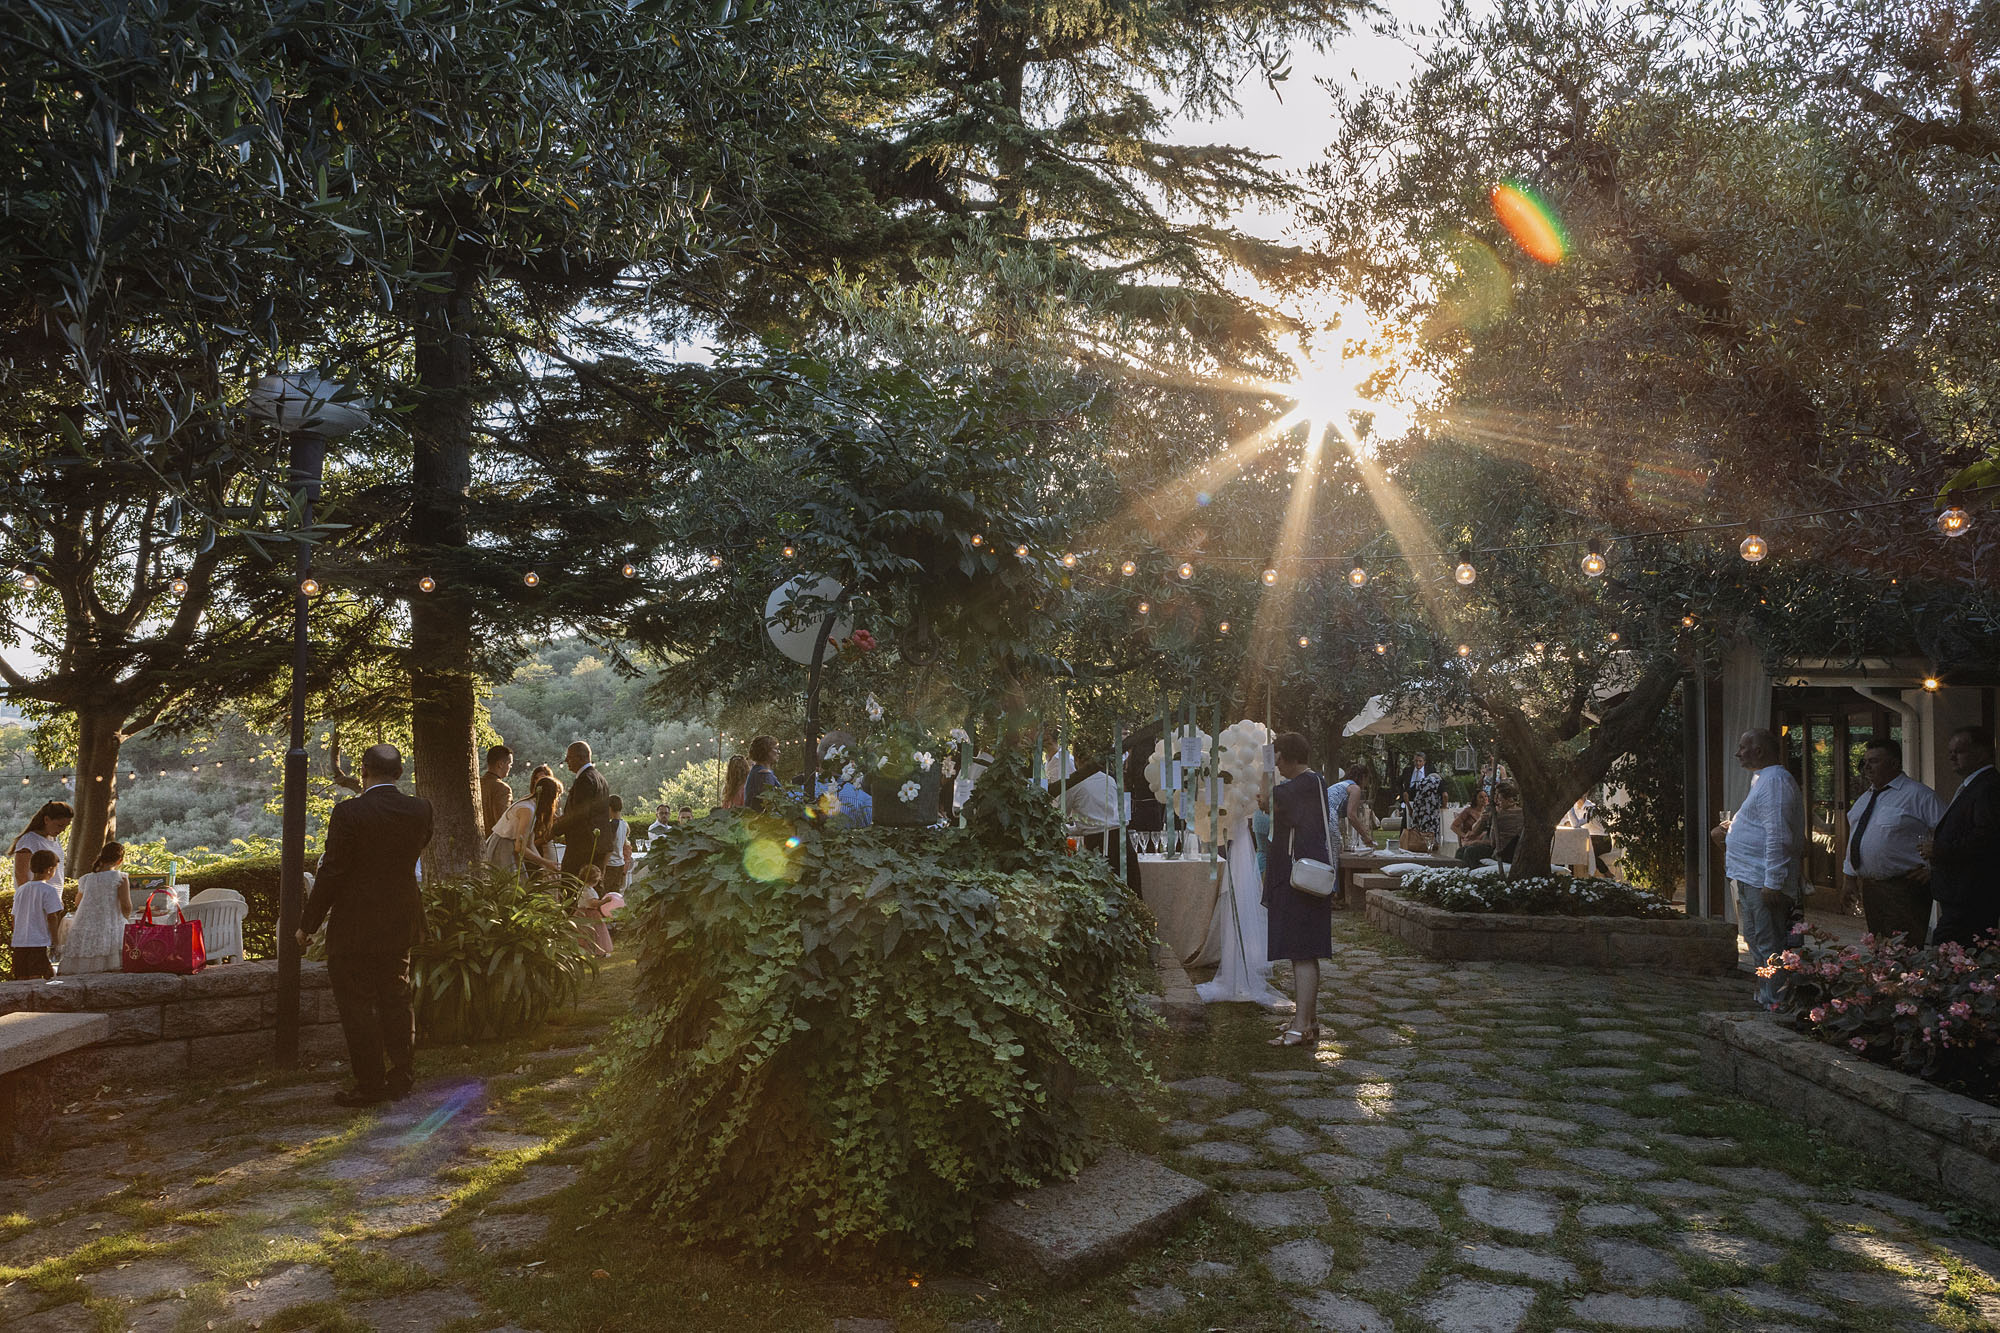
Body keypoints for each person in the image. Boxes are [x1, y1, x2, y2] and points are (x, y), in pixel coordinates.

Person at [301, 745, 433, 1106]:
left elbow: (333, 872)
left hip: (355, 923)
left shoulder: (349, 812)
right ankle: (402, 1074)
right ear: (399, 773)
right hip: (401, 917)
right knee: (397, 995)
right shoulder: (421, 809)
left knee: (357, 1004)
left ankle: (371, 1083)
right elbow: (415, 851)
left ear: (363, 771)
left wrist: (307, 923)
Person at [1711, 728, 1804, 1008]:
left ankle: (1775, 1001)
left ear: (1759, 751)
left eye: (1743, 747)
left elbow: (1778, 834)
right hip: (1748, 876)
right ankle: (1766, 995)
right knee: (1755, 940)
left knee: (1769, 943)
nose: (1738, 753)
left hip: (1762, 879)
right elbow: (1763, 826)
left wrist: (1773, 881)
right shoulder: (1762, 780)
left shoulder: (1774, 781)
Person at [1263, 732, 1333, 1048]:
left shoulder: (1296, 788)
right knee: (1305, 952)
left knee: (1301, 953)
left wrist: (1266, 798)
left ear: (1288, 756)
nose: (1275, 761)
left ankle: (1302, 1025)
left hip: (1298, 882)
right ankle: (1309, 1021)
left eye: (1278, 755)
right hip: (1310, 878)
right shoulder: (1315, 783)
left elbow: (1273, 802)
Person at [1841, 738, 1944, 946]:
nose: (1867, 767)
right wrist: (1849, 878)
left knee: (1904, 949)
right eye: (1865, 761)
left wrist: (1935, 867)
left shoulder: (1918, 795)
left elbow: (1949, 833)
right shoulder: (1865, 799)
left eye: (1875, 761)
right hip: (1872, 888)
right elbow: (1856, 837)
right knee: (1880, 947)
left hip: (1905, 888)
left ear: (1894, 764)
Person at [1927, 726, 2000, 947]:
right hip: (1959, 893)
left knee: (1950, 952)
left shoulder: (1988, 787)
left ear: (1981, 752)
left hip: (1972, 894)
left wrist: (1940, 850)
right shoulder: (1973, 786)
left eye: (1958, 751)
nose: (1951, 757)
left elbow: (1986, 837)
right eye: (1950, 751)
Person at [60, 841, 133, 976]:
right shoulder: (120, 877)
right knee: (112, 960)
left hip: (88, 922)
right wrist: (126, 918)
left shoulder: (86, 879)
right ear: (120, 860)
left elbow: (78, 902)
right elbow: (126, 905)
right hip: (111, 920)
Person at [552, 741, 613, 878]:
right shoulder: (600, 778)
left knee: (572, 888)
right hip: (598, 846)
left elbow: (578, 814)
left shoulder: (585, 779)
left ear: (581, 757)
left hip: (583, 847)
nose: (566, 760)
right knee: (593, 889)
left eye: (569, 757)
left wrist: (553, 830)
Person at [482, 779, 561, 876]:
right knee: (510, 884)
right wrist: (546, 863)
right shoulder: (528, 810)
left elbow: (529, 844)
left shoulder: (532, 807)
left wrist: (544, 866)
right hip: (502, 847)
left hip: (509, 846)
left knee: (519, 884)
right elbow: (520, 847)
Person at [10, 848, 65, 979]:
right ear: (49, 869)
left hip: (20, 943)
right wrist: (56, 941)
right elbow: (52, 917)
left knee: (21, 978)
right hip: (39, 942)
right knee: (36, 978)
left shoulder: (21, 890)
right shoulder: (49, 890)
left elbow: (14, 917)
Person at [1457, 781, 1523, 865]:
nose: (1496, 800)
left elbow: (1493, 842)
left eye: (1498, 797)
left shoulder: (1500, 815)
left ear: (1508, 799)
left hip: (1503, 850)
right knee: (1463, 850)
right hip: (1503, 848)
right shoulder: (1495, 812)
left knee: (1470, 852)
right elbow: (1474, 831)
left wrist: (1477, 842)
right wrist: (1482, 818)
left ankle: (1471, 874)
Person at [11, 800, 72, 889]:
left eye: (65, 826)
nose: (63, 830)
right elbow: (20, 875)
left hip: (51, 897)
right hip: (35, 898)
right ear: (46, 819)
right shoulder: (29, 840)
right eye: (60, 825)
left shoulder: (55, 840)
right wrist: (30, 898)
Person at [1329, 764, 1373, 852]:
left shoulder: (1342, 785)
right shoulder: (1355, 788)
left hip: (1320, 815)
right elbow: (1351, 816)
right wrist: (1365, 836)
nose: (1367, 783)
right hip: (1330, 817)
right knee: (1334, 853)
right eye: (1367, 779)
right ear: (1363, 777)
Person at [1404, 767, 1445, 854]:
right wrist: (1444, 807)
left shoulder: (1420, 782)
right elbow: (1445, 795)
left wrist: (1409, 808)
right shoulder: (1439, 782)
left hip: (1418, 813)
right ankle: (1432, 851)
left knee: (1418, 833)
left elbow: (1405, 794)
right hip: (1432, 814)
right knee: (1431, 834)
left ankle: (1417, 848)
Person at [480, 745, 514, 836]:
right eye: (510, 764)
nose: (510, 767)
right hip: (493, 844)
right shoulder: (502, 789)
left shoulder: (477, 784)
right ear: (500, 764)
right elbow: (503, 822)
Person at [602, 796, 631, 893]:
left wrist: (603, 867)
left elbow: (609, 847)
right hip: (620, 863)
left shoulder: (612, 825)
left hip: (611, 864)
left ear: (610, 808)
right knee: (615, 893)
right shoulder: (624, 824)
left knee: (605, 893)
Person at [744, 736, 782, 808]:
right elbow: (767, 805)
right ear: (765, 751)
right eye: (775, 749)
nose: (779, 752)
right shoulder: (764, 774)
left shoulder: (757, 771)